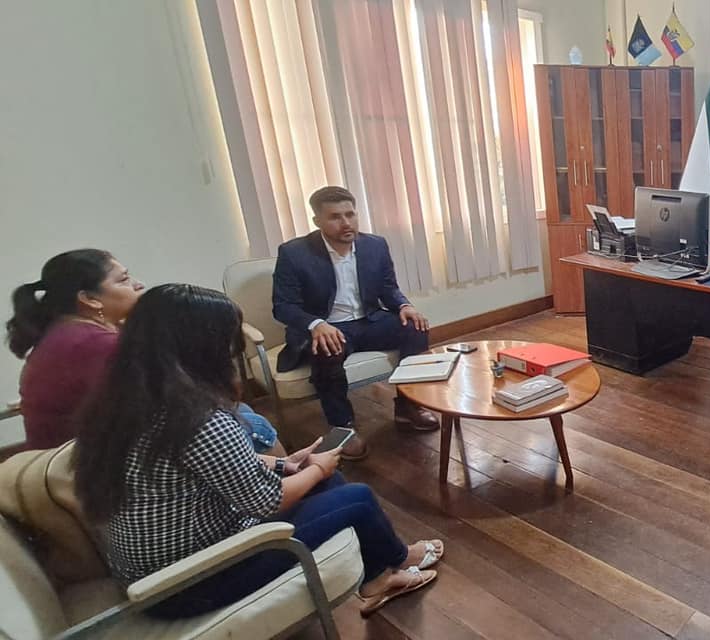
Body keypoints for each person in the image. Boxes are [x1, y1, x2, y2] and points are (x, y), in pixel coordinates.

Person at [73, 284, 444, 618]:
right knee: (356, 497)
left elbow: (205, 467)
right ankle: (398, 560)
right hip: (190, 580)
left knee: (328, 484)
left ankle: (380, 576)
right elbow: (265, 503)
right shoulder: (199, 418)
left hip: (154, 570)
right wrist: (318, 467)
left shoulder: (127, 400)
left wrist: (286, 463)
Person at [7, 249, 283, 454]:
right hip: (88, 467)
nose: (138, 284)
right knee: (246, 424)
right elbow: (168, 405)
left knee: (237, 415)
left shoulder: (69, 331)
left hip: (92, 450)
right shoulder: (91, 344)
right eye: (124, 280)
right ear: (89, 299)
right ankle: (277, 498)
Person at [273, 186, 438, 459]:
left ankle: (408, 406)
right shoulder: (294, 253)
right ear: (317, 221)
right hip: (329, 327)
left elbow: (388, 288)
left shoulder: (375, 245)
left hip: (369, 320)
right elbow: (283, 306)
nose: (346, 223)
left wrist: (405, 305)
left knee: (415, 328)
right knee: (328, 348)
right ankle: (343, 427)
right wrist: (315, 324)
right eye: (335, 217)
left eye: (350, 214)